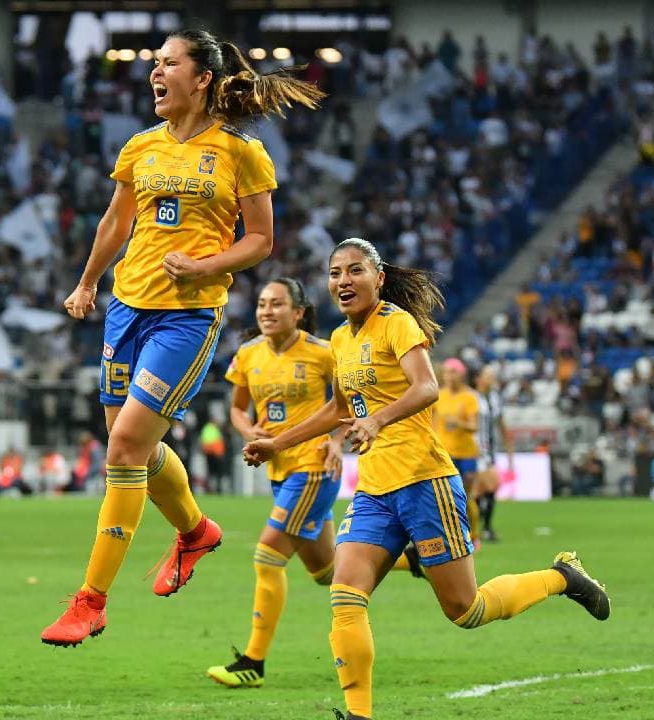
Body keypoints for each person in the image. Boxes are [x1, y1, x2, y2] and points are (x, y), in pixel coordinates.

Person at [244, 239, 610, 720]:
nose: (343, 281)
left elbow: (427, 387)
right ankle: (359, 714)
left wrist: (376, 421)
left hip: (424, 481)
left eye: (355, 271)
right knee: (344, 593)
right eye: (335, 273)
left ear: (378, 278)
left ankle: (561, 577)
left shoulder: (397, 323)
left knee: (466, 610)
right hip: (374, 489)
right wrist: (279, 442)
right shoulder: (340, 339)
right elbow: (336, 408)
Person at [43, 28, 325, 648]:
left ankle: (90, 601)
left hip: (186, 316)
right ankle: (196, 532)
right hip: (126, 308)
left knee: (122, 450)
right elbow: (118, 219)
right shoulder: (140, 146)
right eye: (154, 62)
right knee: (133, 447)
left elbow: (260, 240)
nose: (155, 72)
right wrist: (88, 282)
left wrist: (205, 266)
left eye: (169, 63)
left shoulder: (239, 151)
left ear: (201, 78)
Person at [205, 279, 347, 687]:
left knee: (268, 555)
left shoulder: (324, 353)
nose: (266, 311)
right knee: (328, 573)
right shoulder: (247, 355)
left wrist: (337, 442)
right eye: (262, 304)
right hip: (277, 469)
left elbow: (347, 405)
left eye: (277, 304)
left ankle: (253, 662)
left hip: (314, 466)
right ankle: (411, 559)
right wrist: (249, 432)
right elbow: (236, 410)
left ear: (298, 312)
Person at [434, 358, 483, 548]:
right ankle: (452, 535)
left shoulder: (469, 397)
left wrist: (459, 423)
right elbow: (433, 424)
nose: (448, 376)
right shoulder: (438, 396)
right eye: (446, 372)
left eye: (452, 372)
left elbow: (474, 426)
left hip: (467, 454)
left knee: (466, 496)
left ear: (461, 374)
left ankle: (474, 535)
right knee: (446, 497)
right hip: (445, 453)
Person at [472, 364, 504, 542]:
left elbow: (501, 424)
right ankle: (478, 528)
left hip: (490, 451)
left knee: (490, 488)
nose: (492, 380)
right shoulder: (471, 397)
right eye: (488, 376)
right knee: (476, 490)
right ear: (479, 379)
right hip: (474, 450)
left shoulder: (495, 398)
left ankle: (485, 526)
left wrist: (509, 450)